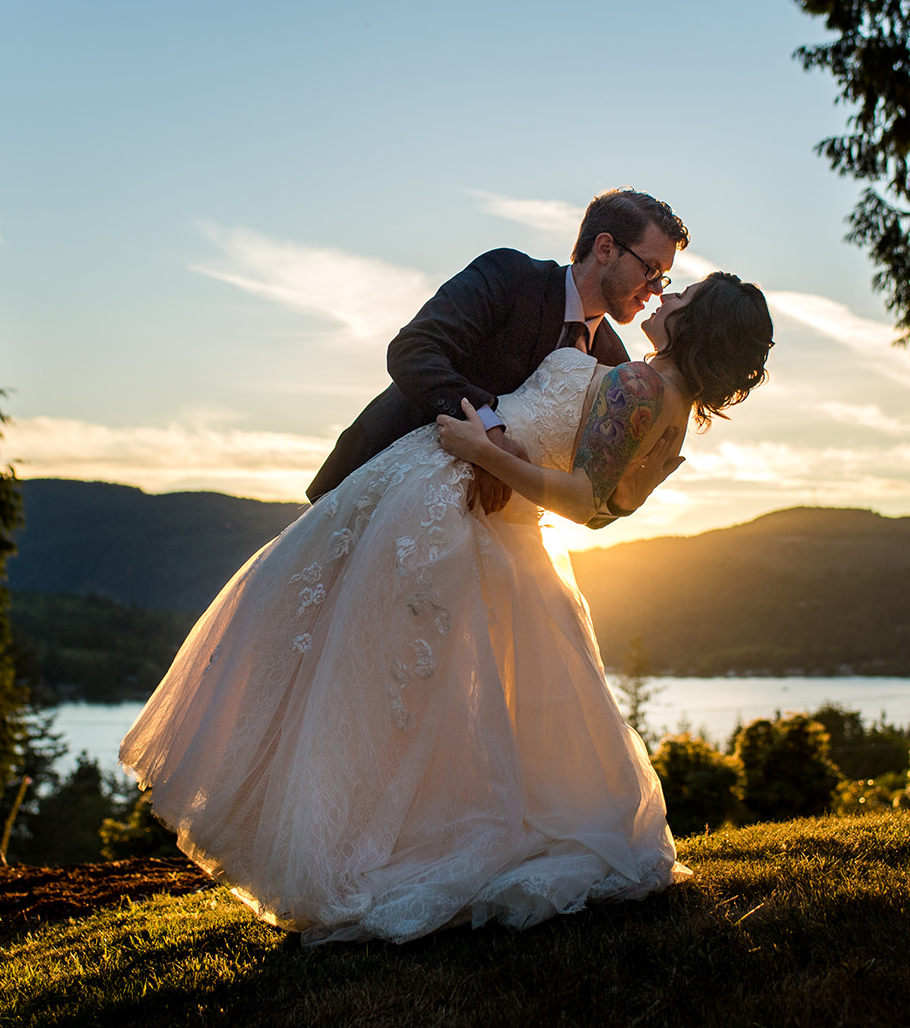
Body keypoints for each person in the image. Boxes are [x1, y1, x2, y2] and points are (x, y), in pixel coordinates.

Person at [120, 270, 775, 945]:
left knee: (372, 674)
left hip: (450, 489)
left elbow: (584, 500)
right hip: (475, 510)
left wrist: (480, 449)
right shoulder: (669, 408)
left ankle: (352, 845)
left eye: (684, 298)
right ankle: (383, 832)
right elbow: (611, 510)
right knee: (414, 687)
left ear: (700, 326)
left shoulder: (641, 386)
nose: (667, 297)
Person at [305, 188, 688, 526]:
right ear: (605, 249)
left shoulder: (615, 364)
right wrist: (491, 431)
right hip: (381, 483)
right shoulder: (511, 275)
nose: (655, 290)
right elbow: (414, 349)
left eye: (663, 278)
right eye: (650, 270)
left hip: (487, 528)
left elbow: (588, 494)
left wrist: (627, 493)